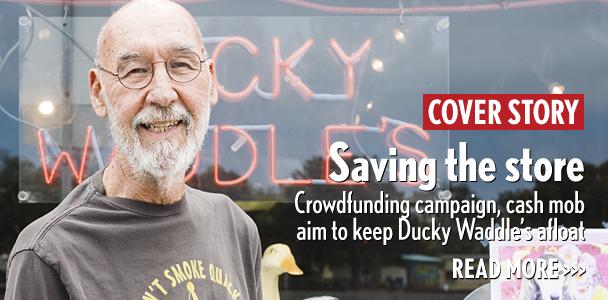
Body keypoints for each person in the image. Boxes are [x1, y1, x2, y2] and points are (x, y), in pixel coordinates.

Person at [4, 0, 262, 299]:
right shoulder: (48, 254)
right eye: (136, 71)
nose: (163, 94)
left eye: (181, 65)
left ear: (212, 82)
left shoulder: (234, 227)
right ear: (98, 93)